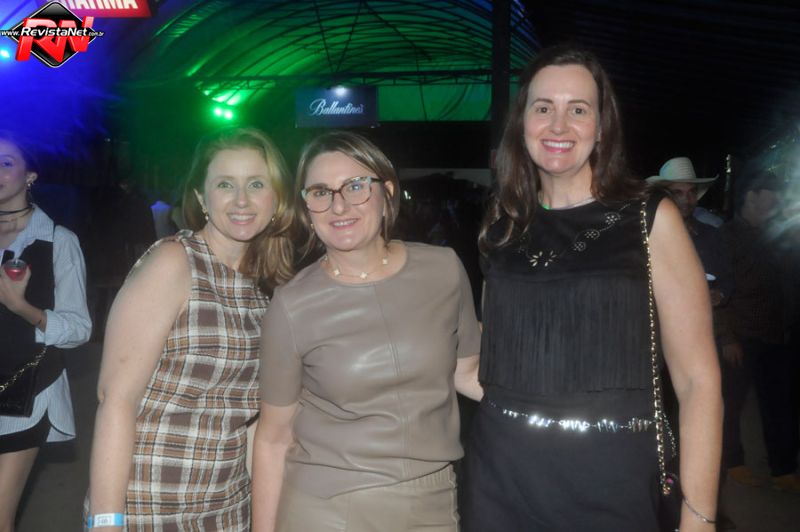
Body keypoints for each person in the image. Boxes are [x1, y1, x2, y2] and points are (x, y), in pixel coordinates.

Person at [462, 46, 722, 532]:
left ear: (602, 127)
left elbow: (697, 381)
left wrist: (699, 516)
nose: (558, 125)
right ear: (522, 122)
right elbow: (492, 362)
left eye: (578, 110)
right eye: (543, 107)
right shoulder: (501, 226)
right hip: (498, 477)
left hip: (612, 482)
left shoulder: (649, 218)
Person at [252, 131, 482, 532]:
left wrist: (560, 412)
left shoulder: (443, 269)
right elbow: (273, 437)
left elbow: (468, 372)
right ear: (307, 208)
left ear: (387, 192)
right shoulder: (291, 305)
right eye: (321, 192)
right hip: (327, 511)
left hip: (434, 504)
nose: (339, 205)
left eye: (356, 186)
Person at [85, 127, 295, 530]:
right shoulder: (175, 263)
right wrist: (106, 522)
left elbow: (251, 418)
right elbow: (115, 400)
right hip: (149, 506)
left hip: (228, 508)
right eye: (224, 184)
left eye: (256, 184)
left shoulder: (266, 288)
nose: (241, 200)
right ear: (201, 197)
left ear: (276, 197)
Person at [0, 131, 91, 532]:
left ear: (30, 175)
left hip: (28, 391)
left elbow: (80, 328)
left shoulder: (58, 241)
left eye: (6, 163)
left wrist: (23, 308)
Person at [719, 171, 800, 492]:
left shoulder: (777, 235)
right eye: (771, 193)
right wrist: (727, 337)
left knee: (780, 404)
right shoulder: (727, 236)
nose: (777, 200)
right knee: (731, 403)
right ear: (751, 195)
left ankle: (783, 468)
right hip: (741, 335)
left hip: (777, 335)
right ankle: (733, 461)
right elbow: (717, 291)